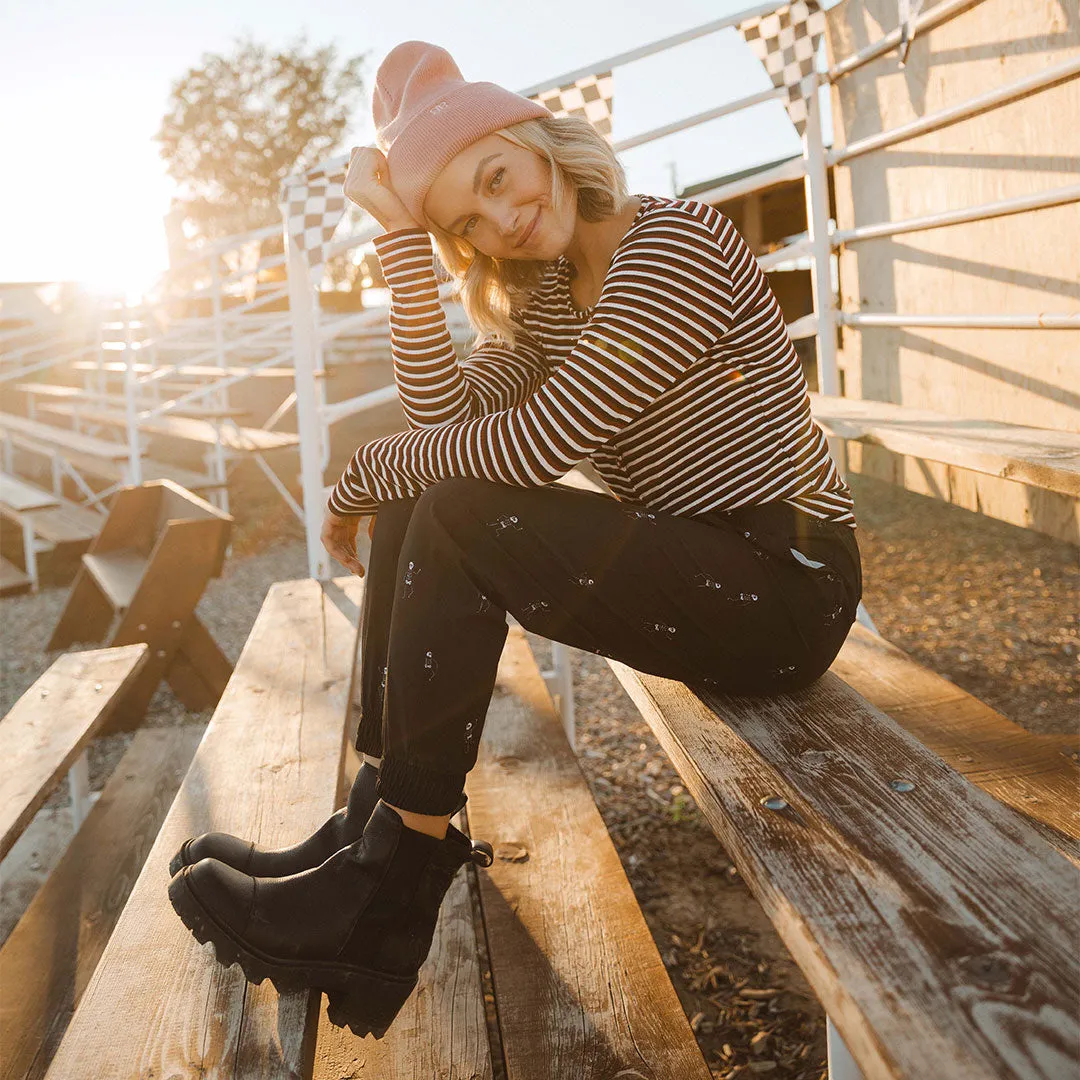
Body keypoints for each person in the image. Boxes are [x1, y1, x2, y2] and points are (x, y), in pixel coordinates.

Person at [167, 39, 863, 1038]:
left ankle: (385, 892)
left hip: (787, 583)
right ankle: (374, 830)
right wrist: (405, 236)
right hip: (703, 567)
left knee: (442, 494)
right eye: (467, 218)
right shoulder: (541, 299)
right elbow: (443, 417)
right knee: (428, 495)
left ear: (536, 142)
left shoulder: (675, 245)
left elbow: (532, 446)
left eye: (496, 178)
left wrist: (360, 478)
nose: (500, 217)